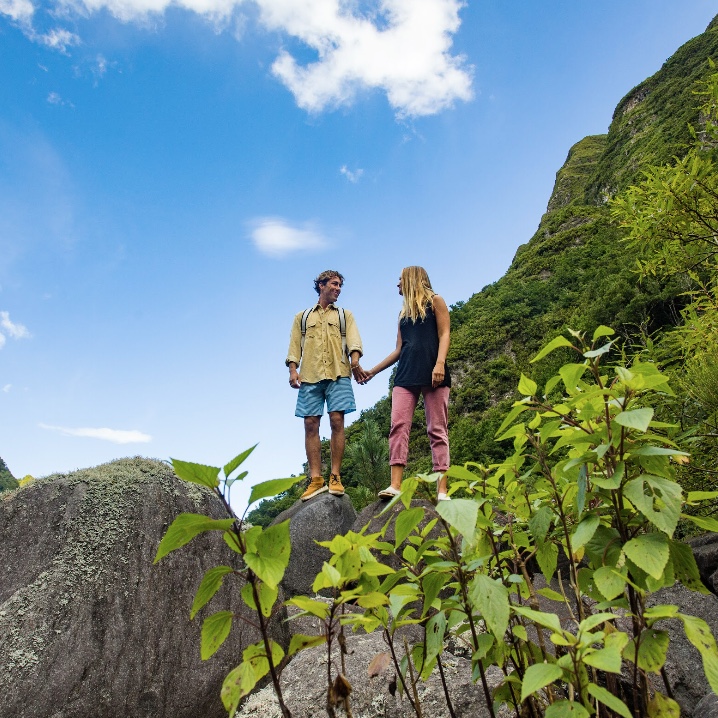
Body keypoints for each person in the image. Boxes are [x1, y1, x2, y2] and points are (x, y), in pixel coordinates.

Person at [362, 266, 451, 501]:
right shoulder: (403, 315)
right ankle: (395, 485)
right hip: (406, 374)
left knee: (437, 430)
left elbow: (444, 334)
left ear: (412, 279)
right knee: (398, 426)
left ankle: (442, 490)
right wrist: (372, 371)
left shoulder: (436, 302)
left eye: (400, 280)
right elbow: (399, 350)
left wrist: (440, 363)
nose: (397, 284)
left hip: (434, 372)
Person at [286, 270, 368, 501]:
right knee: (310, 424)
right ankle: (315, 479)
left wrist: (355, 362)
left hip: (339, 372)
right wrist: (293, 370)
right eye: (334, 284)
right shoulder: (302, 317)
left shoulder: (345, 315)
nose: (338, 288)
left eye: (340, 285)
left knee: (337, 420)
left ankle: (335, 476)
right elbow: (294, 347)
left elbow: (354, 341)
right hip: (310, 376)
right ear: (321, 285)